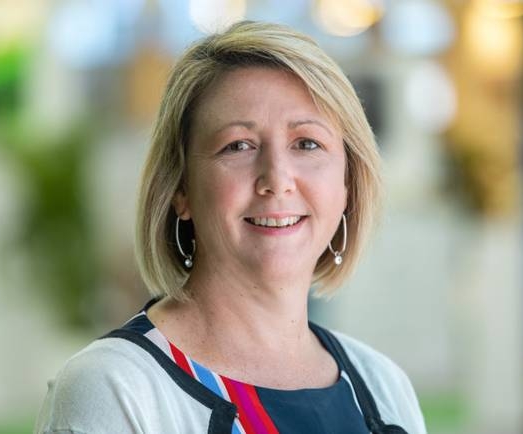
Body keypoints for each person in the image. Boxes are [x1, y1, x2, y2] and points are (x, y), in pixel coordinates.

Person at [35, 21, 427, 434]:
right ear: (180, 187)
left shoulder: (383, 387)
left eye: (307, 143)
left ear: (348, 182)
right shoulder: (117, 388)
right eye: (238, 146)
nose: (277, 178)